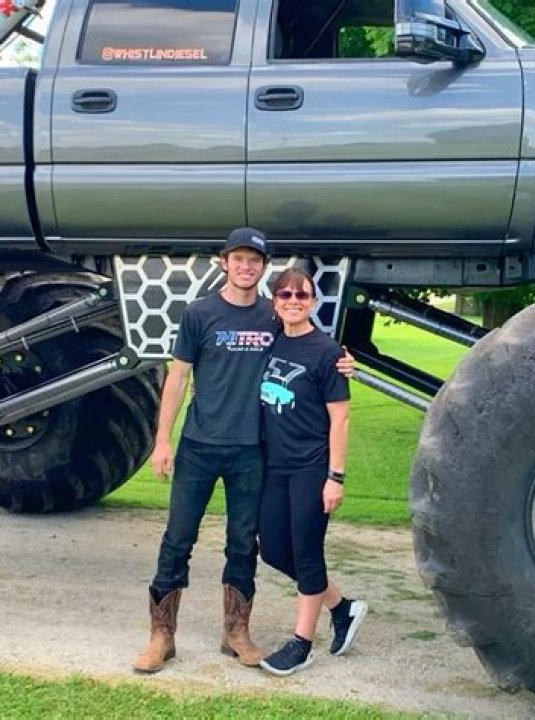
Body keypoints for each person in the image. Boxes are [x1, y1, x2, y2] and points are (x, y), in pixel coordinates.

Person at [133, 228, 353, 674]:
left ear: (263, 267)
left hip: (252, 451)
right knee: (178, 539)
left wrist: (342, 361)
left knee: (242, 544)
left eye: (255, 260)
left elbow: (307, 344)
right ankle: (161, 636)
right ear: (224, 262)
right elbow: (177, 377)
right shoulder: (199, 313)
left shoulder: (272, 315)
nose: (246, 267)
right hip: (199, 446)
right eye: (239, 259)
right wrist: (163, 439)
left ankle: (236, 633)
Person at [257, 267, 367, 677]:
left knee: (306, 552)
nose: (293, 301)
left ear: (313, 302)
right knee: (273, 550)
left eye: (301, 295)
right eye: (285, 295)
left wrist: (335, 477)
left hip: (311, 468)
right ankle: (341, 606)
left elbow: (340, 418)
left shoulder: (328, 352)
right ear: (275, 302)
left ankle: (301, 644)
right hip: (274, 467)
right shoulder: (271, 340)